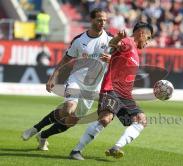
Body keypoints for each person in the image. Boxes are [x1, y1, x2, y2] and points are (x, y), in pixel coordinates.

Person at [22, 8, 112, 151]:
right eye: (99, 20)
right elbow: (66, 58)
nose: (102, 23)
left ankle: (43, 135)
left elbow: (121, 59)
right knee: (68, 109)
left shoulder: (110, 40)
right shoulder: (79, 40)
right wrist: (53, 76)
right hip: (76, 80)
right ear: (91, 20)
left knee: (71, 121)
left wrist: (112, 59)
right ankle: (35, 128)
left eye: (105, 20)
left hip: (93, 87)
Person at [69, 22, 153, 160]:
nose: (148, 42)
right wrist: (117, 39)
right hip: (112, 89)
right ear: (141, 33)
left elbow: (117, 58)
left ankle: (116, 148)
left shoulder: (134, 52)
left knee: (141, 120)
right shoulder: (128, 42)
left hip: (125, 95)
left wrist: (112, 59)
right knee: (105, 119)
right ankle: (76, 151)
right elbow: (113, 45)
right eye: (148, 38)